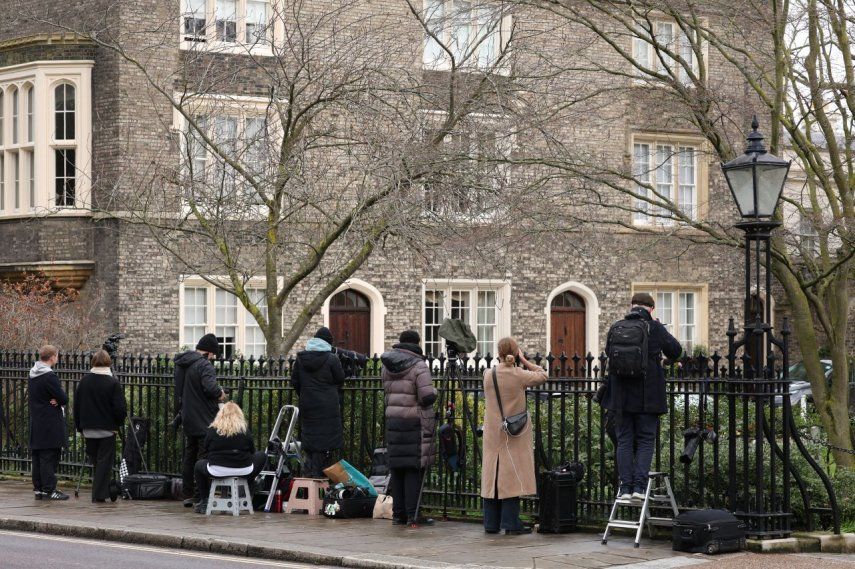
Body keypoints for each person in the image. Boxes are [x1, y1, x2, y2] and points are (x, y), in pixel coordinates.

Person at [601, 292, 682, 501]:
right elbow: (676, 351)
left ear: (631, 306)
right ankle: (639, 487)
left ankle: (625, 488)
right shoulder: (655, 327)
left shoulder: (616, 327)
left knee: (624, 440)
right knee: (646, 441)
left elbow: (609, 353)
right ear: (651, 308)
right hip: (648, 397)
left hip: (621, 398)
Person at [481, 337, 547, 535]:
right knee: (511, 474)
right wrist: (524, 360)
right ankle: (510, 522)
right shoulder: (519, 375)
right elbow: (543, 375)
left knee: (492, 474)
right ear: (515, 352)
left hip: (493, 431)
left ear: (498, 353)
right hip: (514, 431)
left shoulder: (488, 374)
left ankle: (490, 523)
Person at [380, 330, 437, 528]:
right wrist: (435, 390)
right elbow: (426, 397)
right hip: (415, 422)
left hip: (394, 420)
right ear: (417, 343)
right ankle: (413, 515)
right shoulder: (419, 365)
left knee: (397, 468)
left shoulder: (387, 365)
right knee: (413, 469)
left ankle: (398, 514)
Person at [174, 333, 227, 507]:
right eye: (214, 355)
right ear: (210, 353)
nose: (213, 359)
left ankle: (187, 494)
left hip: (187, 416)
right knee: (204, 457)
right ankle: (201, 496)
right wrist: (221, 394)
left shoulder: (182, 364)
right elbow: (211, 388)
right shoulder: (204, 365)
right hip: (204, 418)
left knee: (189, 456)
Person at [192, 402, 267, 514]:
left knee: (198, 465)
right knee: (262, 455)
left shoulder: (213, 430)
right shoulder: (244, 430)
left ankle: (205, 501)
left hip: (217, 470)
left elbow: (206, 449)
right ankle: (249, 484)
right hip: (243, 469)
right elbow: (252, 450)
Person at [73, 349, 127, 502]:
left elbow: (76, 406)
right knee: (104, 462)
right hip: (107, 429)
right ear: (109, 363)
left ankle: (106, 489)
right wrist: (118, 425)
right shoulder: (112, 383)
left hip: (88, 428)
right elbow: (120, 409)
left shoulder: (84, 381)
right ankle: (99, 495)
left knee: (97, 461)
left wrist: (79, 427)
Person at [291, 327, 346, 478]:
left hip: (308, 404)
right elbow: (340, 378)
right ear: (328, 343)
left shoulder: (301, 359)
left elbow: (295, 381)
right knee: (326, 442)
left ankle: (310, 473)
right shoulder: (331, 359)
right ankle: (321, 476)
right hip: (328, 406)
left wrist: (305, 393)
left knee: (310, 438)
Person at [28, 345, 70, 500]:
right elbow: (64, 398)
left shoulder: (32, 374)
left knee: (37, 455)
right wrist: (58, 401)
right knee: (49, 456)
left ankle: (38, 489)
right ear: (52, 357)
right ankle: (49, 489)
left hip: (37, 419)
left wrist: (54, 400)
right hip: (50, 421)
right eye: (57, 356)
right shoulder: (49, 376)